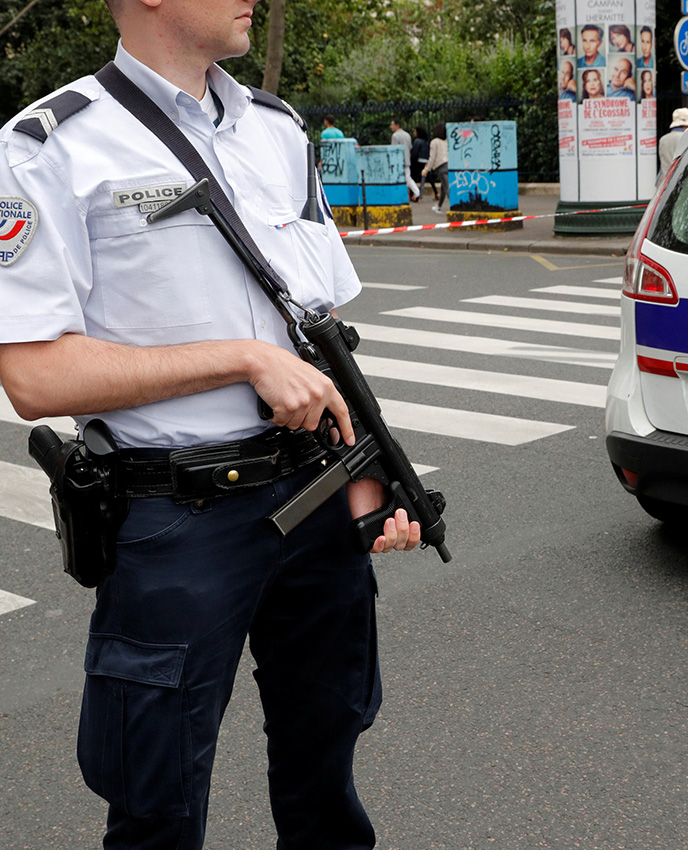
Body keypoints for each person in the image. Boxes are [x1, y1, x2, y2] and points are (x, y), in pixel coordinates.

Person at [0, 1, 422, 849]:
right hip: (176, 519)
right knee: (157, 799)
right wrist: (236, 358)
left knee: (325, 769)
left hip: (315, 492)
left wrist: (371, 481)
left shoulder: (277, 129)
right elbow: (33, 375)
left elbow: (322, 326)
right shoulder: (51, 145)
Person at [389, 116, 421, 203]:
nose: (391, 127)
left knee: (405, 178)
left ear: (397, 125)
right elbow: (410, 147)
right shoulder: (407, 135)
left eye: (392, 125)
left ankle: (417, 192)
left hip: (399, 161)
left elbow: (393, 149)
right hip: (407, 159)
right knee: (407, 177)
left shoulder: (395, 136)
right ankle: (415, 193)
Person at [422, 122, 449, 213]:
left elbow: (432, 157)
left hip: (441, 166)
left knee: (447, 188)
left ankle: (454, 206)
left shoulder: (434, 142)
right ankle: (439, 205)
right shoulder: (447, 141)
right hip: (449, 165)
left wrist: (427, 169)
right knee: (444, 187)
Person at [659, 106, 688, 174]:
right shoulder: (687, 137)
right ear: (687, 125)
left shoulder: (663, 139)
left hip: (665, 181)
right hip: (680, 180)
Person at [411, 125, 430, 192]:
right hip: (426, 160)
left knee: (413, 176)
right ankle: (436, 193)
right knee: (428, 177)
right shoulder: (426, 141)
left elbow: (415, 152)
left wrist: (412, 160)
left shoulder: (417, 141)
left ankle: (413, 193)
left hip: (419, 161)